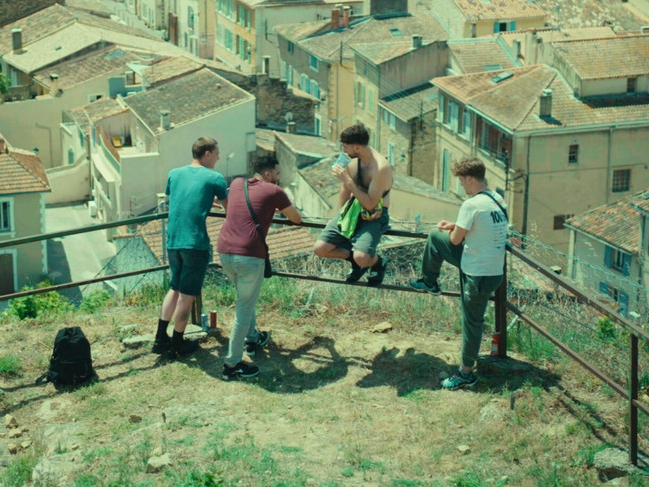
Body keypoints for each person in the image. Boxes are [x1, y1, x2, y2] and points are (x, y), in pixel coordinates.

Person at [409, 157, 508, 389]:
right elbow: (482, 227)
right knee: (437, 236)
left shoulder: (471, 204)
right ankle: (429, 281)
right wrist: (456, 225)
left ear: (470, 179)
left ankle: (465, 373)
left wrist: (454, 230)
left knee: (472, 322)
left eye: (462, 181)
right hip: (495, 271)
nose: (462, 186)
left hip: (477, 272)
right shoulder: (498, 199)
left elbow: (454, 241)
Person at [216, 155, 303, 380]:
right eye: (277, 174)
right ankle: (232, 364)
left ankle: (253, 337)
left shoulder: (237, 183)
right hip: (249, 255)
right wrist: (278, 203)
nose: (278, 178)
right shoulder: (275, 191)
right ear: (267, 174)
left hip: (224, 251)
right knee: (243, 309)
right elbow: (296, 218)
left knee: (246, 298)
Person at [153, 137, 228, 358]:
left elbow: (183, 197)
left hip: (173, 240)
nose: (218, 158)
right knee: (187, 296)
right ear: (207, 154)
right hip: (195, 243)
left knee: (174, 287)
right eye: (216, 154)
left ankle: (160, 339)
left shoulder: (174, 173)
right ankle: (177, 343)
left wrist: (204, 200)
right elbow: (230, 210)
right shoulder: (215, 178)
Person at [313, 124, 393, 286]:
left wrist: (347, 180)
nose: (343, 150)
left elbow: (370, 204)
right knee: (320, 248)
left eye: (345, 146)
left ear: (357, 147)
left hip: (374, 214)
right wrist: (339, 216)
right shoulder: (351, 159)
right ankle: (353, 260)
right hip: (351, 209)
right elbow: (345, 189)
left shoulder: (380, 168)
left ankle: (377, 263)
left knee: (362, 257)